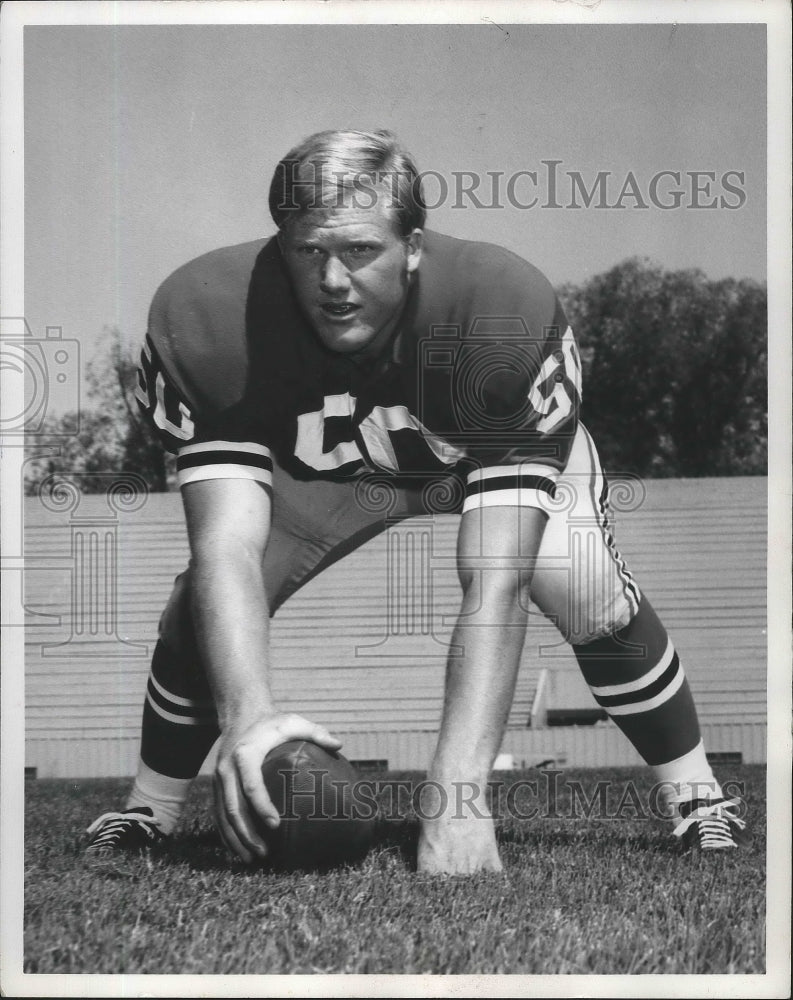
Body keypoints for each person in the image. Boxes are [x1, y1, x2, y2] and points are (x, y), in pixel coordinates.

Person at [85, 129, 749, 872]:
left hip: (479, 457)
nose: (333, 280)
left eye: (361, 250)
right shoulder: (207, 317)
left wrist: (460, 793)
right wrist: (248, 718)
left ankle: (696, 796)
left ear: (412, 246)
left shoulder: (497, 308)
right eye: (308, 251)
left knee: (585, 587)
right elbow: (226, 547)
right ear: (279, 245)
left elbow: (496, 581)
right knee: (197, 608)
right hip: (325, 473)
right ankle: (149, 805)